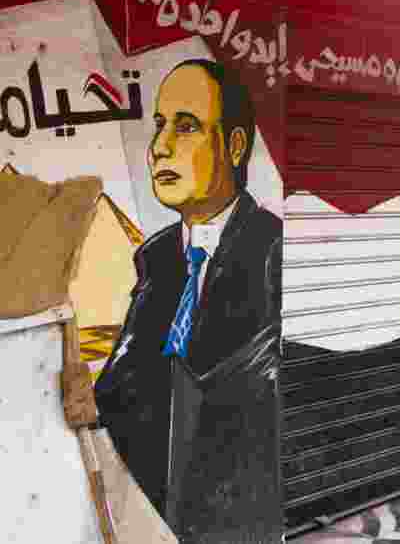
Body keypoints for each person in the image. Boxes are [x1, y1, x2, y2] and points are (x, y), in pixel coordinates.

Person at [94, 59, 283, 544]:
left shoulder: (270, 253)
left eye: (186, 126)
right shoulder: (156, 259)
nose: (159, 148)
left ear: (235, 146)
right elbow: (122, 388)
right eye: (159, 127)